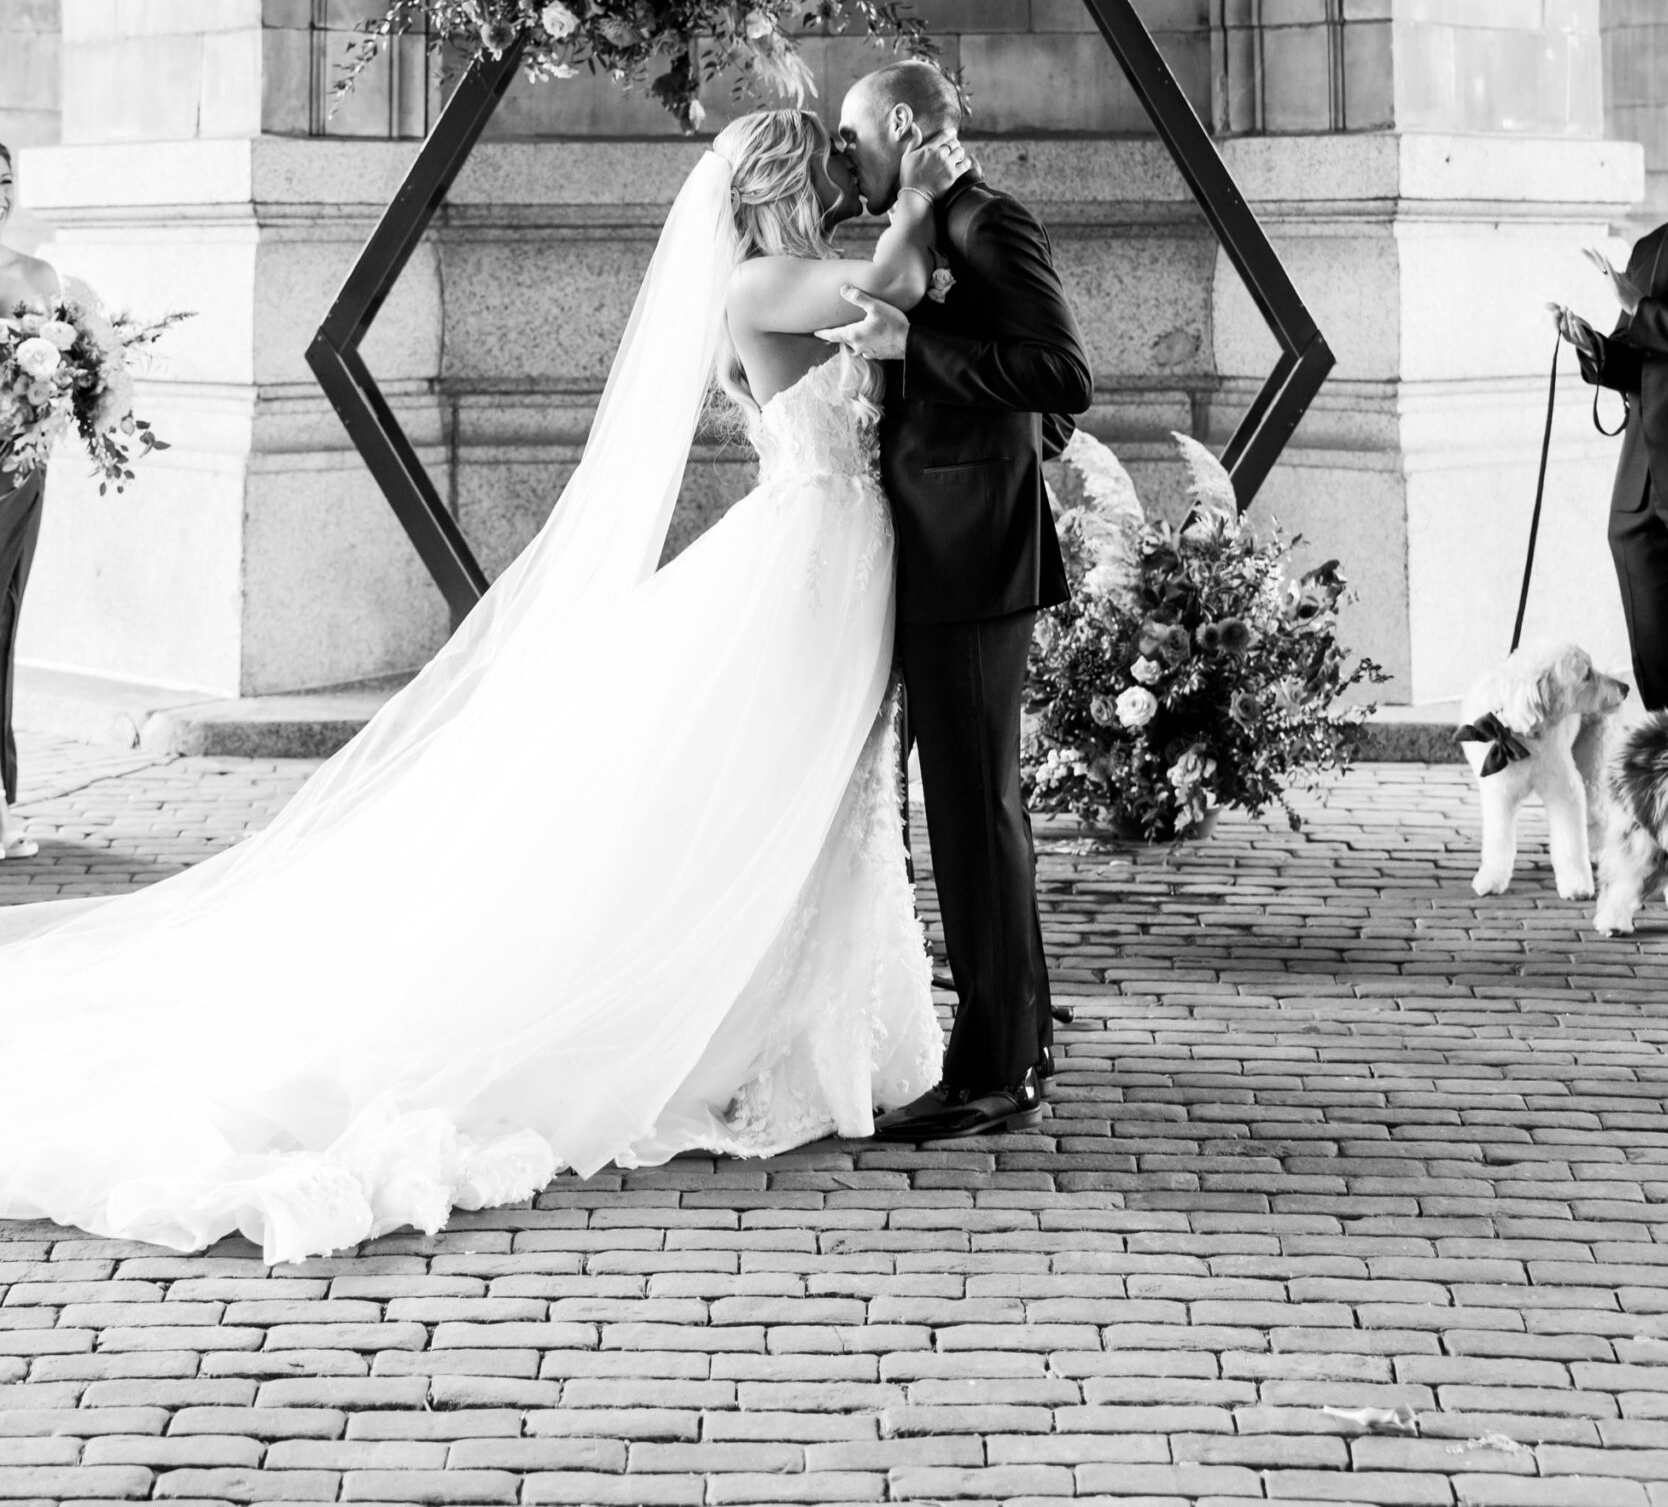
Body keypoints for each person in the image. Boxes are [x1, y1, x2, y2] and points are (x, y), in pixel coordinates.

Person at [0, 109, 961, 1263]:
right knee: (775, 785)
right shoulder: (765, 285)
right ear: (783, 186)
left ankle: (797, 1017)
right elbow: (898, 283)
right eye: (828, 166)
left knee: (812, 794)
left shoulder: (780, 276)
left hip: (832, 558)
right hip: (805, 567)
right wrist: (929, 176)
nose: (846, 181)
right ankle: (749, 1025)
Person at [824, 64, 1093, 1142]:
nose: (847, 157)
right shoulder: (939, 220)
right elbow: (1037, 404)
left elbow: (1062, 373)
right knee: (966, 813)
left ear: (900, 121)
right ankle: (1008, 1038)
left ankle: (999, 1073)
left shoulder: (989, 219)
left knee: (979, 815)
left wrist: (913, 347)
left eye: (854, 136)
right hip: (945, 549)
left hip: (975, 562)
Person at [1551, 79, 1668, 716]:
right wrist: (1591, 346)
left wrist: (1637, 306)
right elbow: (1637, 359)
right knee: (1660, 671)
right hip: (1640, 495)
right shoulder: (1653, 246)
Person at [0, 141, 58, 863]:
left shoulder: (35, 276)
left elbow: (62, 379)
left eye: (8, 179)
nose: (1, 190)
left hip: (13, 473)